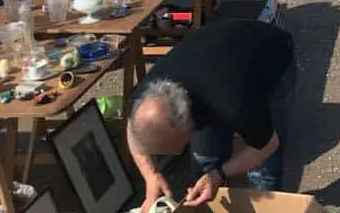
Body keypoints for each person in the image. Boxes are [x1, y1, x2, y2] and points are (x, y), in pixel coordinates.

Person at [127, 19, 297, 211]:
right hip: (213, 58)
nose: (176, 154)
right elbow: (133, 130)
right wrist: (151, 175)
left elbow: (268, 145)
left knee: (264, 173)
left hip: (271, 57)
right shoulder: (141, 99)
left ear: (189, 124)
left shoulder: (235, 106)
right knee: (205, 167)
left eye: (177, 148)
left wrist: (219, 174)